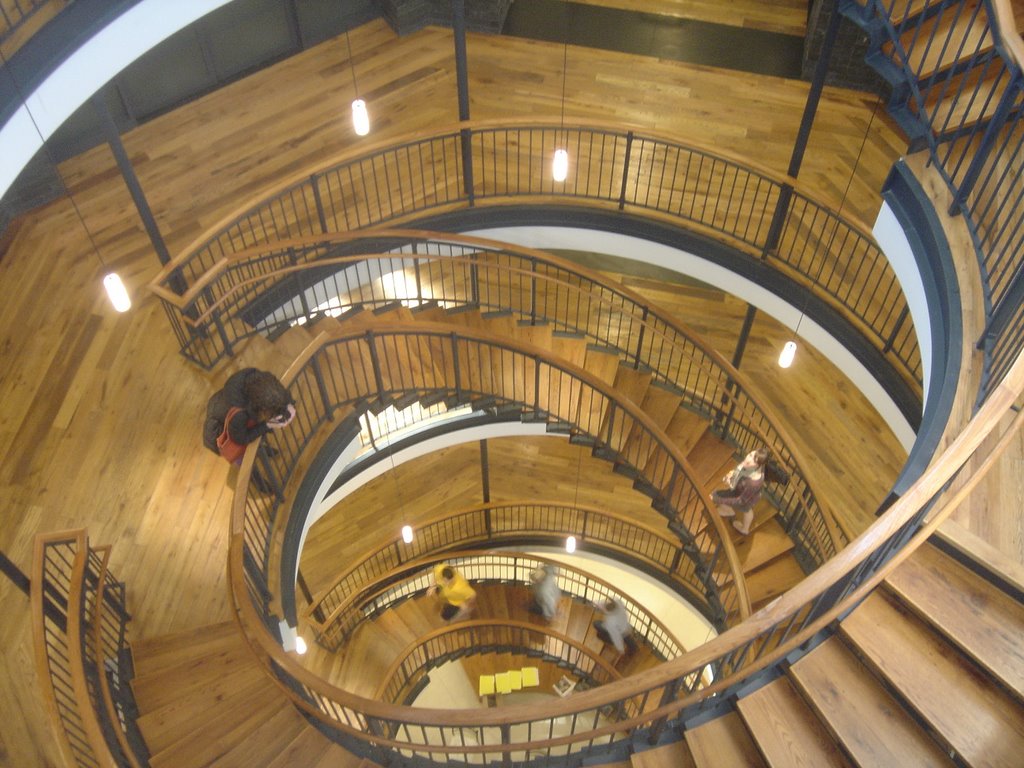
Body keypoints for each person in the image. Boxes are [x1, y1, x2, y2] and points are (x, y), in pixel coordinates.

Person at [203, 368, 296, 491]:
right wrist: (267, 425)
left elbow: (280, 393)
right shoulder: (238, 414)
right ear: (261, 408)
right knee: (246, 463)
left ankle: (262, 450)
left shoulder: (258, 380)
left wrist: (289, 403)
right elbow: (241, 438)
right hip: (223, 434)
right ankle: (260, 484)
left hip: (237, 420)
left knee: (256, 439)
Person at [712, 448, 768, 535]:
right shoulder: (755, 467)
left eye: (754, 461)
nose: (748, 460)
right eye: (750, 455)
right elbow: (740, 469)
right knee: (746, 509)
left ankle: (744, 529)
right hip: (741, 490)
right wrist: (731, 477)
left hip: (746, 497)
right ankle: (728, 511)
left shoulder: (753, 483)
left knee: (746, 509)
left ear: (758, 465)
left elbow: (741, 501)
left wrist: (719, 500)